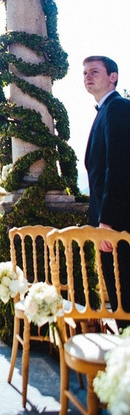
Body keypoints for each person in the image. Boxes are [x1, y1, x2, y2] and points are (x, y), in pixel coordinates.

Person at [83, 55, 130, 326]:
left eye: (95, 71)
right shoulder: (105, 110)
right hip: (109, 223)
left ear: (113, 77)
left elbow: (119, 167)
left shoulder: (118, 108)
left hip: (117, 225)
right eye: (85, 72)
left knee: (123, 297)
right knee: (118, 295)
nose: (88, 76)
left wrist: (107, 222)